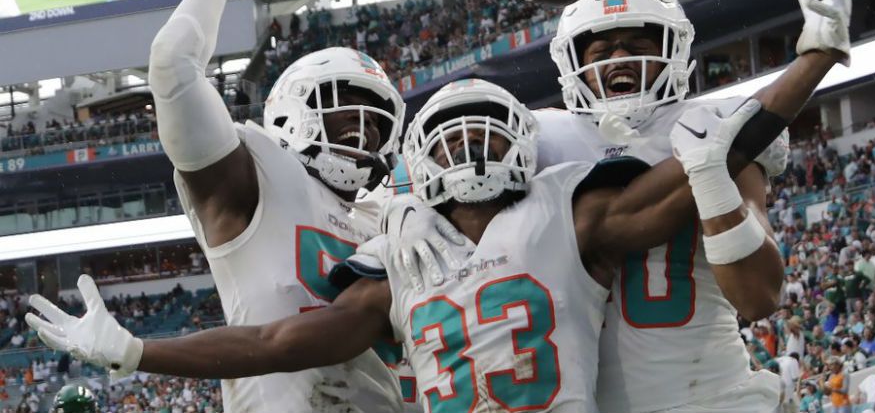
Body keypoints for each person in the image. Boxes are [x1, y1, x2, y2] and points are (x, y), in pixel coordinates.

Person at [31, 66, 823, 411]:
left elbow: (709, 155)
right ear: (415, 164)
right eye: (449, 139)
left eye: (485, 135)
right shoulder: (393, 258)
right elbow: (273, 341)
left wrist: (812, 62)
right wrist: (140, 353)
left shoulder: (566, 213)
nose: (469, 151)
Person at [387, 0, 851, 413]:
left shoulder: (714, 125)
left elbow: (759, 297)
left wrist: (714, 180)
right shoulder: (541, 137)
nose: (619, 58)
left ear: (675, 49)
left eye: (639, 44)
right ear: (572, 62)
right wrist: (407, 210)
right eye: (601, 48)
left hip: (714, 396)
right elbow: (434, 169)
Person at [41, 0, 407, 412]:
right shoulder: (256, 176)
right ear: (293, 109)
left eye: (376, 122)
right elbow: (172, 64)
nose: (362, 131)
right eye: (345, 107)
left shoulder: (392, 217)